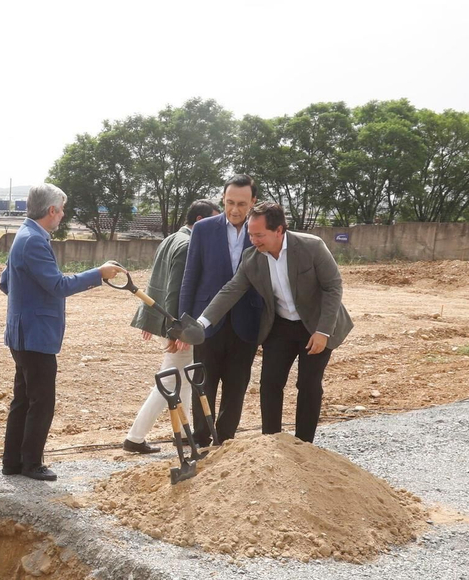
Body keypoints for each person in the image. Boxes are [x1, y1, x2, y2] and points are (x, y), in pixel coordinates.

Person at [180, 201, 352, 443]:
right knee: (269, 384)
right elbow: (230, 290)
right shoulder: (252, 258)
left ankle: (304, 444)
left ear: (279, 230)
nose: (253, 240)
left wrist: (323, 331)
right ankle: (272, 442)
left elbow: (333, 287)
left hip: (316, 324)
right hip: (280, 326)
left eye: (259, 235)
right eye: (250, 234)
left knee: (308, 385)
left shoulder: (311, 247)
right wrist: (201, 323)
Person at [0, 185, 121, 480]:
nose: (63, 216)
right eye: (62, 210)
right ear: (51, 210)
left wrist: (25, 302)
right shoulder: (34, 241)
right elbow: (59, 286)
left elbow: (6, 282)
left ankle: (13, 462)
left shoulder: (24, 236)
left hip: (23, 334)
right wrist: (98, 274)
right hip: (35, 336)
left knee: (24, 400)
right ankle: (31, 464)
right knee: (41, 402)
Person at [123, 199, 220, 453]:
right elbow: (176, 291)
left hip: (166, 322)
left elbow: (156, 282)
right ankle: (134, 438)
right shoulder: (188, 245)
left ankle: (187, 433)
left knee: (184, 380)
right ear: (200, 221)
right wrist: (176, 331)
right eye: (214, 220)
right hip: (177, 327)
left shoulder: (171, 239)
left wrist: (151, 320)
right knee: (169, 383)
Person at [177, 174, 262, 443]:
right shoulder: (203, 229)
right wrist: (184, 323)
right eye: (229, 202)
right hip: (206, 322)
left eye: (242, 204)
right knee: (203, 384)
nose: (235, 210)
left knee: (236, 387)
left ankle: (225, 440)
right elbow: (190, 277)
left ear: (254, 202)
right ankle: (201, 439)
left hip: (246, 322)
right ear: (222, 200)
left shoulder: (261, 230)